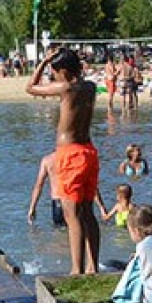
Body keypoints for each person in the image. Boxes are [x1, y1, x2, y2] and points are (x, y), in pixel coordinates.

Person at [25, 48, 100, 275]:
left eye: (54, 72)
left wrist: (43, 61)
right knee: (87, 212)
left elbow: (30, 88)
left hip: (70, 153)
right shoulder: (90, 87)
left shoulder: (66, 88)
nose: (53, 76)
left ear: (64, 72)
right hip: (89, 151)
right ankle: (92, 266)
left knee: (71, 214)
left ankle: (76, 269)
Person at [27, 152, 66, 228]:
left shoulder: (48, 160)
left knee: (59, 233)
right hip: (73, 200)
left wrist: (32, 208)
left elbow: (39, 185)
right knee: (76, 232)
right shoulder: (74, 159)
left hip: (57, 203)